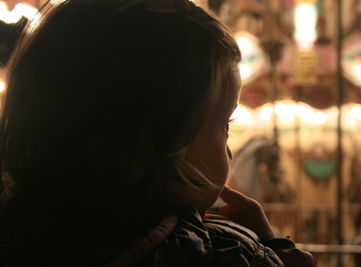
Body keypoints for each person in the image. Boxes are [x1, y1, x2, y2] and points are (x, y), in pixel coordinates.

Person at [0, 0, 315, 266]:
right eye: (224, 126)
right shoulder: (225, 252)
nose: (229, 151)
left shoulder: (16, 233)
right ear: (162, 138)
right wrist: (273, 249)